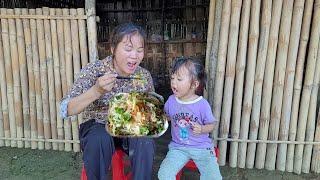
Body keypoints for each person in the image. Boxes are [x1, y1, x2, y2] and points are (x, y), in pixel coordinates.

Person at [60, 23, 155, 180]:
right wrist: (96, 91)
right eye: (128, 48)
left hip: (130, 127)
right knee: (99, 138)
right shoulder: (94, 70)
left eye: (139, 50)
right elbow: (66, 109)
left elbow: (150, 109)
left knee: (145, 140)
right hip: (98, 126)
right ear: (113, 49)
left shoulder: (144, 76)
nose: (135, 56)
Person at [158, 57, 222, 180]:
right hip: (178, 148)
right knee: (164, 174)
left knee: (213, 177)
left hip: (202, 148)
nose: (173, 83)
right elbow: (168, 117)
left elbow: (212, 124)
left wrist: (202, 129)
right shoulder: (171, 100)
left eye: (179, 79)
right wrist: (161, 118)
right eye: (172, 78)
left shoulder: (202, 104)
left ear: (194, 84)